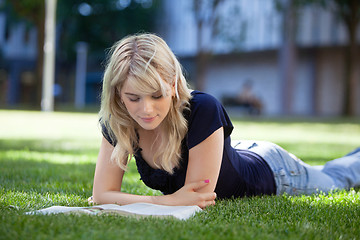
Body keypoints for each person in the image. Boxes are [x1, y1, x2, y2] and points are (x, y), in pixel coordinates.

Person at [91, 33, 360, 209]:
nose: (146, 109)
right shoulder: (118, 121)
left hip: (274, 171)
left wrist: (135, 200)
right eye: (133, 97)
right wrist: (169, 200)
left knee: (338, 176)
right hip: (230, 151)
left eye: (156, 95)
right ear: (118, 94)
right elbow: (102, 195)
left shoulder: (202, 108)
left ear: (173, 85)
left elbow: (196, 201)